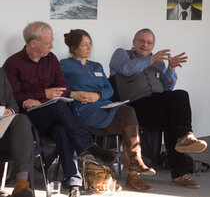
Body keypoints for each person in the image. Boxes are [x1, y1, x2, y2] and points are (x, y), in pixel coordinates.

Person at [3, 21, 120, 197]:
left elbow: (64, 87)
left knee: (62, 129)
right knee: (58, 106)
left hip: (51, 114)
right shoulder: (13, 64)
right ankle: (91, 148)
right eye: (47, 43)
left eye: (52, 41)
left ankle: (73, 182)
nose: (52, 46)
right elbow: (11, 98)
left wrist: (42, 97)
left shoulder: (50, 59)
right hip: (27, 119)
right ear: (33, 43)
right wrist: (43, 94)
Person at [109, 28, 207, 189]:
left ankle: (180, 172)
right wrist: (151, 59)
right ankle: (185, 137)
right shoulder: (122, 54)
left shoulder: (158, 61)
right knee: (181, 96)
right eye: (141, 41)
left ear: (153, 45)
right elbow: (126, 69)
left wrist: (171, 69)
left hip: (156, 103)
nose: (145, 45)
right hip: (134, 106)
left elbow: (167, 87)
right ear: (134, 42)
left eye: (149, 42)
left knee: (172, 117)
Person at [60, 29, 156, 191]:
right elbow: (59, 88)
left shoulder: (96, 65)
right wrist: (74, 94)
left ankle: (135, 164)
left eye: (90, 44)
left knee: (127, 112)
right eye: (84, 45)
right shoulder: (64, 65)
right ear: (74, 47)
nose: (89, 48)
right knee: (128, 122)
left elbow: (109, 89)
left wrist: (98, 95)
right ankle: (134, 171)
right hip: (83, 111)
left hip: (103, 107)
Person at [0, 68, 35, 197]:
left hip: (4, 127)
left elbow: (13, 105)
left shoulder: (1, 72)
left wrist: (10, 111)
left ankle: (22, 184)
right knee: (25, 144)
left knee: (22, 119)